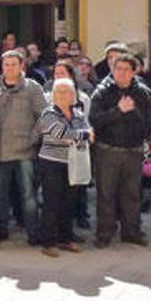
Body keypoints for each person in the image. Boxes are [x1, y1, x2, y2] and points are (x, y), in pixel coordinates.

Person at [89, 53, 151, 248]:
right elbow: (94, 120)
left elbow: (148, 125)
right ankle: (104, 233)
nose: (122, 73)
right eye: (119, 69)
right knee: (106, 194)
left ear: (133, 72)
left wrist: (132, 111)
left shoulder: (143, 93)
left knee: (132, 194)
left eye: (127, 69)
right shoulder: (101, 92)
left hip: (133, 151)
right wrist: (118, 111)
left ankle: (132, 232)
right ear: (112, 70)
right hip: (107, 150)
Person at [0, 50, 47, 244]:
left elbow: (43, 116)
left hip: (25, 151)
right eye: (6, 65)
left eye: (13, 64)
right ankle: (0, 228)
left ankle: (33, 231)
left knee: (28, 195)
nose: (9, 68)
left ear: (21, 66)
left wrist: (33, 138)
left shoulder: (33, 88)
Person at [36, 78, 92, 257]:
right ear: (53, 95)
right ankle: (48, 242)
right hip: (51, 163)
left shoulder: (78, 113)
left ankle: (66, 238)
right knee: (52, 202)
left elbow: (88, 134)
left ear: (73, 95)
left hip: (73, 163)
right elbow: (61, 134)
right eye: (59, 91)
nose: (63, 95)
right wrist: (82, 135)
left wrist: (80, 135)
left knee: (69, 202)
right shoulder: (48, 113)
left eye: (67, 91)